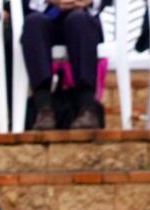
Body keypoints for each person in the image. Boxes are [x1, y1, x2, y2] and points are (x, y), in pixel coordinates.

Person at [21, 0, 105, 129]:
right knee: (34, 23)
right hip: (44, 17)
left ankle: (87, 108)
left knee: (79, 20)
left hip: (83, 19)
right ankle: (44, 109)